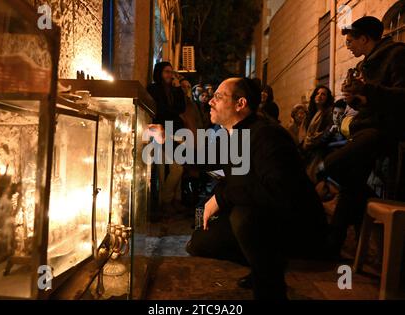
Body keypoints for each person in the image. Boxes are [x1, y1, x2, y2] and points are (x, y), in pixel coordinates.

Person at [185, 77, 328, 300]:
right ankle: (262, 263)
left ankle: (270, 283)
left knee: (244, 217)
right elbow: (205, 160)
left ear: (240, 104)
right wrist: (166, 142)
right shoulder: (233, 134)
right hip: (269, 216)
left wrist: (221, 198)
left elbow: (277, 191)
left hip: (297, 226)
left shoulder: (267, 136)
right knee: (201, 241)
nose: (210, 102)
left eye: (218, 97)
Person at [319, 16, 405, 254]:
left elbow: (400, 97)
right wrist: (355, 99)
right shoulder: (365, 64)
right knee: (352, 184)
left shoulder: (396, 55)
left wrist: (366, 90)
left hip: (384, 131)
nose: (347, 46)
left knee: (330, 165)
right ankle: (334, 244)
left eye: (350, 41)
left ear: (365, 38)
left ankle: (339, 236)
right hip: (366, 127)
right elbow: (371, 101)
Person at [147, 62, 187, 215]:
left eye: (171, 72)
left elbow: (181, 108)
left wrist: (177, 89)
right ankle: (165, 201)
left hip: (176, 132)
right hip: (161, 133)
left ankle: (173, 201)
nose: (170, 75)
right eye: (166, 72)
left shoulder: (174, 90)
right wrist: (172, 113)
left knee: (176, 167)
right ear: (159, 72)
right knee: (172, 169)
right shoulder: (153, 89)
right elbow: (160, 110)